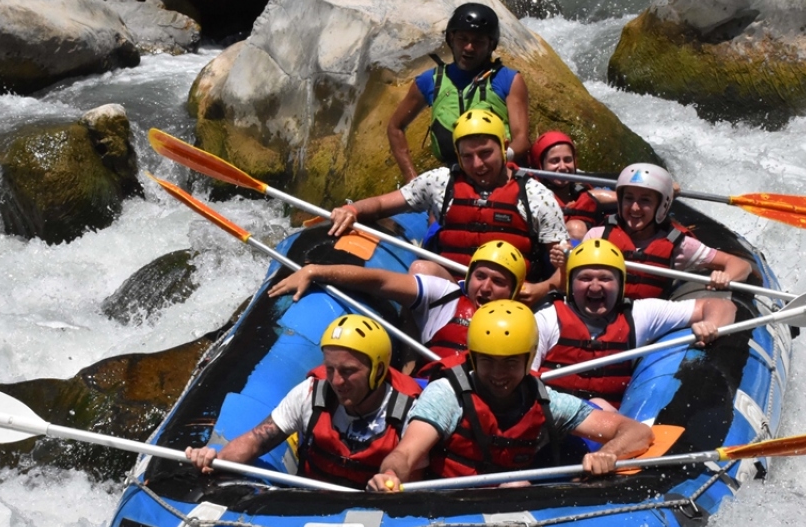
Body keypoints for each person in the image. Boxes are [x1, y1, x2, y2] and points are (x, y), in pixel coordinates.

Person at [365, 301, 653, 491]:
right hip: (447, 507)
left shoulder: (547, 400)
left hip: (511, 510)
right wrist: (390, 474)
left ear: (528, 361)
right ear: (474, 357)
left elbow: (636, 431)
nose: (498, 374)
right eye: (488, 361)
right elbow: (406, 453)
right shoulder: (447, 395)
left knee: (516, 486)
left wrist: (607, 454)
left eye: (511, 363)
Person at [330, 110, 566, 307]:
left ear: (504, 147)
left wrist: (543, 288)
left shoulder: (536, 195)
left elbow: (565, 267)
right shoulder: (441, 182)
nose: (477, 164)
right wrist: (352, 210)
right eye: (467, 156)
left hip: (510, 298)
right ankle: (417, 357)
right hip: (452, 290)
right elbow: (383, 204)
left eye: (485, 153)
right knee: (421, 268)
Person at [184, 315, 423, 488]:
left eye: (348, 371)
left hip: (370, 518)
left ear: (378, 369)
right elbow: (256, 440)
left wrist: (390, 477)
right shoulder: (311, 392)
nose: (337, 381)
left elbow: (408, 466)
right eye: (330, 369)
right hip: (307, 508)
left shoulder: (408, 410)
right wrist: (218, 459)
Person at [534, 239, 736, 409]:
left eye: (605, 278)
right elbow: (524, 385)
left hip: (608, 428)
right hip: (552, 421)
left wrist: (711, 324)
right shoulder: (546, 319)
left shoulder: (640, 315)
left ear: (620, 284)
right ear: (570, 284)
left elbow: (721, 306)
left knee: (602, 407)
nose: (595, 287)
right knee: (599, 405)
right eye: (585, 278)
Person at [267, 240, 527, 364]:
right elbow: (379, 281)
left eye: (498, 282)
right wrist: (315, 271)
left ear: (513, 291)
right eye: (480, 276)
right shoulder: (443, 294)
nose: (485, 287)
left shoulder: (526, 325)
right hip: (434, 395)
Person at [387, 2, 530, 182]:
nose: (469, 47)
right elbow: (395, 127)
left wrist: (495, 161)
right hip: (453, 178)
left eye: (478, 41)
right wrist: (411, 179)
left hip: (499, 177)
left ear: (490, 45)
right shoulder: (429, 81)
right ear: (451, 39)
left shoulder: (509, 80)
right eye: (463, 38)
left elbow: (522, 139)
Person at [579, 163, 752, 300]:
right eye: (629, 198)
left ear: (661, 206)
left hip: (648, 324)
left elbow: (741, 265)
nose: (635, 207)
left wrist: (725, 277)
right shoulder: (598, 236)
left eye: (645, 200)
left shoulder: (679, 245)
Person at [528, 131, 616, 241]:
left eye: (568, 160)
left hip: (590, 251)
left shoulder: (585, 193)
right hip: (551, 253)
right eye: (554, 161)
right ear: (540, 166)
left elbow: (624, 198)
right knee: (576, 228)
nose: (563, 167)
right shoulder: (531, 196)